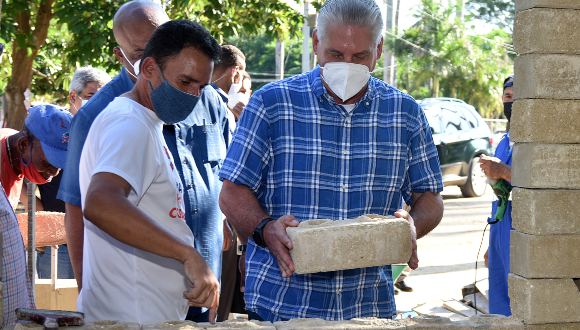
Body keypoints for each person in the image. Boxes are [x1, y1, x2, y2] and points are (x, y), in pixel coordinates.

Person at [218, 0, 444, 322]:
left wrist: (410, 226)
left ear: (378, 49)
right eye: (336, 55)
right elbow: (233, 191)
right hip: (281, 306)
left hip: (368, 309)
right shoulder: (272, 104)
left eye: (361, 56)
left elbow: (430, 198)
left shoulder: (405, 114)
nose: (347, 65)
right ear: (315, 43)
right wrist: (265, 229)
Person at [58, 1, 229, 323]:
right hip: (133, 314)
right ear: (149, 68)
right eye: (184, 82)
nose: (193, 96)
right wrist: (188, 255)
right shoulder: (130, 123)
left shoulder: (145, 118)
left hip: (153, 312)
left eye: (201, 86)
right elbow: (99, 203)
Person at [57, 0, 170, 294]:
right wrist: (87, 289)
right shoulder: (93, 116)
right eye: (141, 52)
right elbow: (77, 206)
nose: (154, 61)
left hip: (202, 284)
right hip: (133, 290)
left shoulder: (199, 96)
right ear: (121, 56)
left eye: (163, 45)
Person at [1, 104, 72, 327]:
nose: (54, 172)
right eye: (49, 163)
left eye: (60, 166)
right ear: (23, 144)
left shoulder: (15, 151)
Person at [36, 67, 110, 280]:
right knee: (61, 310)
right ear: (72, 97)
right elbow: (23, 167)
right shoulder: (54, 129)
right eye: (90, 96)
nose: (98, 104)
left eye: (104, 98)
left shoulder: (105, 131)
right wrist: (39, 213)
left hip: (99, 240)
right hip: (59, 245)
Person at [481, 75, 514, 316]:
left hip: (521, 229)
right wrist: (491, 245)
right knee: (500, 302)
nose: (510, 102)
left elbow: (542, 184)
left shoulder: (538, 143)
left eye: (516, 97)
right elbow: (499, 195)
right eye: (508, 97)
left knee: (521, 299)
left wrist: (502, 171)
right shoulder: (504, 142)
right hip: (501, 225)